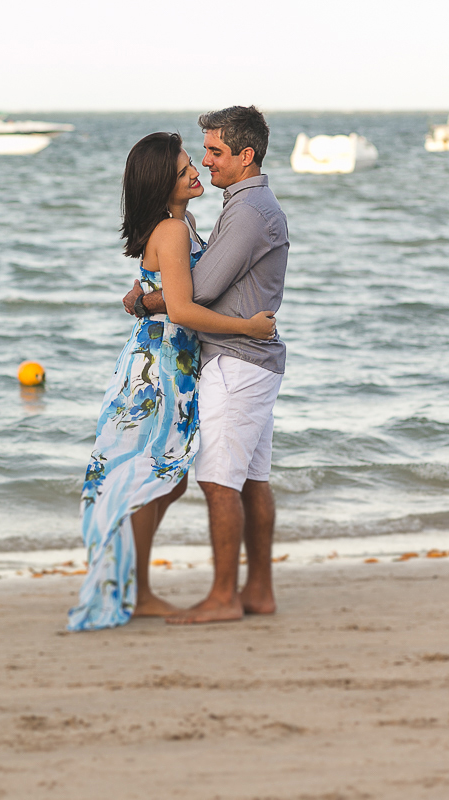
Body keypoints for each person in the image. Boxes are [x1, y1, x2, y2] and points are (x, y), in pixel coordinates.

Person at [68, 132, 276, 632]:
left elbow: (169, 295)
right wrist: (249, 327)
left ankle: (138, 589)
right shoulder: (174, 231)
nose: (195, 171)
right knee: (156, 477)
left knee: (164, 478)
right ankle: (137, 591)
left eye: (194, 163)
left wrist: (145, 298)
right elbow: (183, 309)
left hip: (169, 359)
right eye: (185, 168)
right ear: (164, 182)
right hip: (164, 362)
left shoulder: (182, 225)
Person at [122, 106, 289, 625]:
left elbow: (200, 291)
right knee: (250, 480)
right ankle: (256, 591)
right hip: (239, 360)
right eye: (200, 155)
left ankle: (223, 597)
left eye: (215, 153)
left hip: (236, 363)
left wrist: (145, 301)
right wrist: (151, 292)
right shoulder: (236, 208)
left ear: (246, 155)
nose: (206, 163)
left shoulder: (247, 212)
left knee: (218, 482)